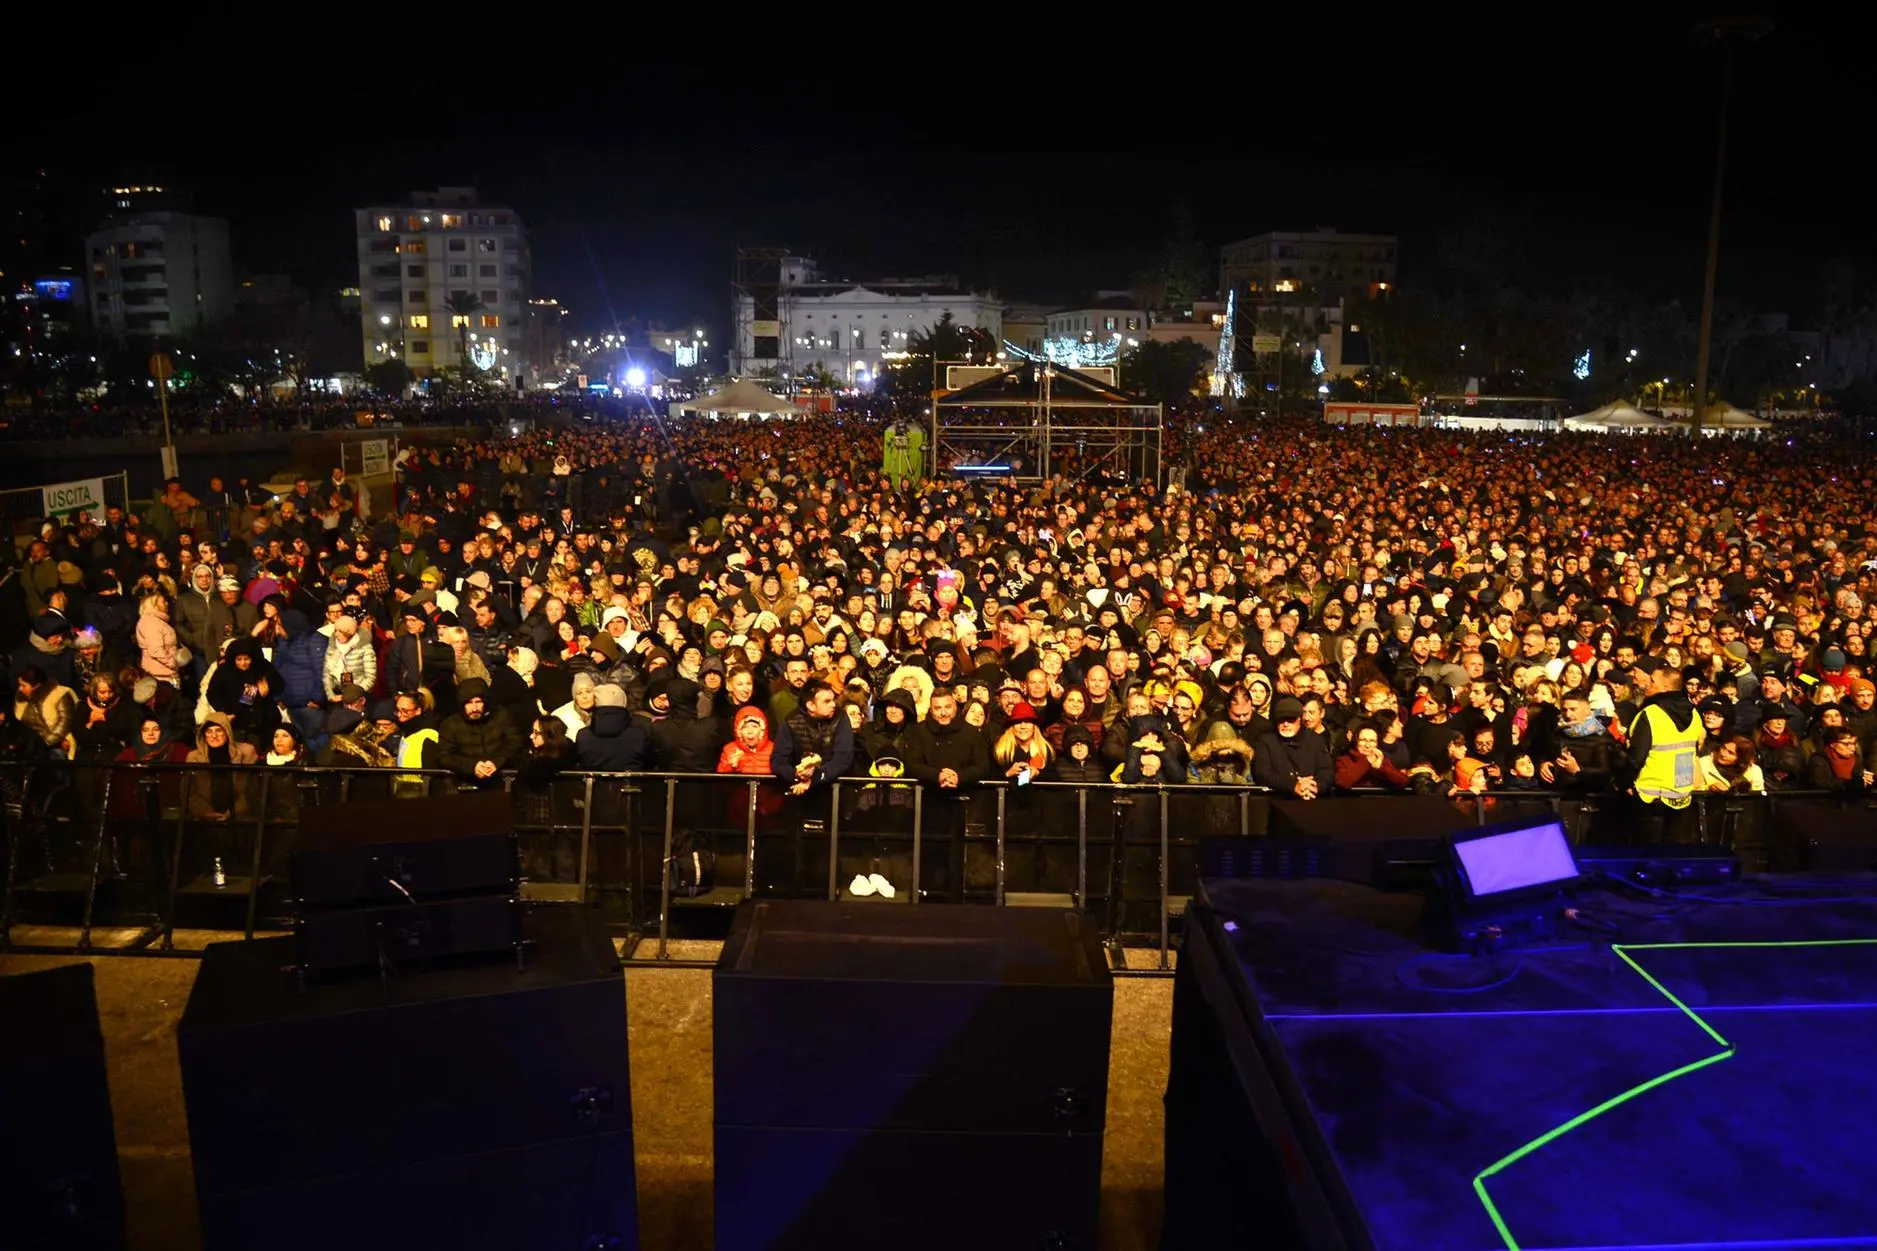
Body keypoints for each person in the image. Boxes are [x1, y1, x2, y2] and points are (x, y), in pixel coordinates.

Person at [1622, 658, 1701, 836]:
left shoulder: (1650, 714)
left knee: (1647, 857)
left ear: (1665, 687)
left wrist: (1623, 783)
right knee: (1671, 856)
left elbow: (1636, 757)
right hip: (1680, 797)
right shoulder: (1694, 713)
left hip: (1649, 797)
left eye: (1653, 681)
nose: (1648, 683)